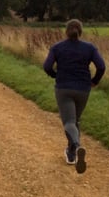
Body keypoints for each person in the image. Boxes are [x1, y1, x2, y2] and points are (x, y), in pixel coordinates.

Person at [42, 19, 105, 174]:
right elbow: (101, 66)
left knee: (69, 121)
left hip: (64, 88)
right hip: (83, 88)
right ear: (80, 31)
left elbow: (47, 66)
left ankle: (76, 146)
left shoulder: (57, 48)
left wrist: (55, 75)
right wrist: (94, 81)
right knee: (75, 120)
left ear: (66, 31)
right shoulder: (89, 48)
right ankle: (71, 155)